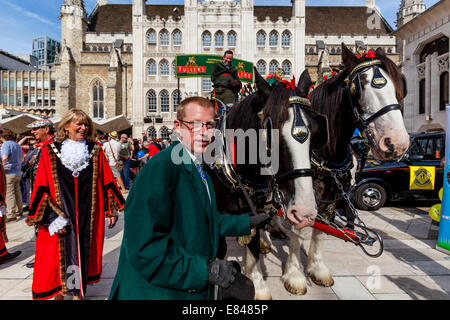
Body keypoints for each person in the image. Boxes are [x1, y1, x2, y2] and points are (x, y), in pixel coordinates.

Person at [109, 97, 270, 300]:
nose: (204, 132)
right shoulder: (161, 168)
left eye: (210, 125)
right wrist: (206, 270)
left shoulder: (198, 166)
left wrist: (245, 222)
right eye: (194, 125)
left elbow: (204, 219)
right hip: (159, 292)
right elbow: (145, 248)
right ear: (177, 126)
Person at [26, 109, 125, 300]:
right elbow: (40, 184)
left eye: (86, 124)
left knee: (81, 249)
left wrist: (110, 209)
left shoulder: (95, 149)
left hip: (89, 212)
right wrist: (52, 216)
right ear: (66, 126)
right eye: (78, 124)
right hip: (60, 211)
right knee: (55, 253)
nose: (83, 127)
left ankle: (75, 293)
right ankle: (60, 289)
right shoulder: (49, 150)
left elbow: (106, 180)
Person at [0, 128, 21, 265]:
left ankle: (2, 252)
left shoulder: (7, 145)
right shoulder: (15, 145)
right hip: (16, 172)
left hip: (9, 175)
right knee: (15, 193)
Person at [1, 129, 24, 223]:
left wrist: (2, 167)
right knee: (17, 192)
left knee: (10, 193)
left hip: (9, 171)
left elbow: (5, 158)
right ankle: (19, 210)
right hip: (18, 171)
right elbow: (23, 158)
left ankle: (11, 214)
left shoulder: (6, 144)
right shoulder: (17, 144)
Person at [211, 50, 242, 115]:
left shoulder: (234, 69)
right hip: (219, 90)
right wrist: (221, 82)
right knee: (221, 109)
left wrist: (237, 85)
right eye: (227, 58)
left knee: (229, 109)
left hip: (230, 91)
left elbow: (237, 81)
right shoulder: (217, 65)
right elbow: (213, 78)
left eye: (230, 59)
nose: (228, 60)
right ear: (224, 57)